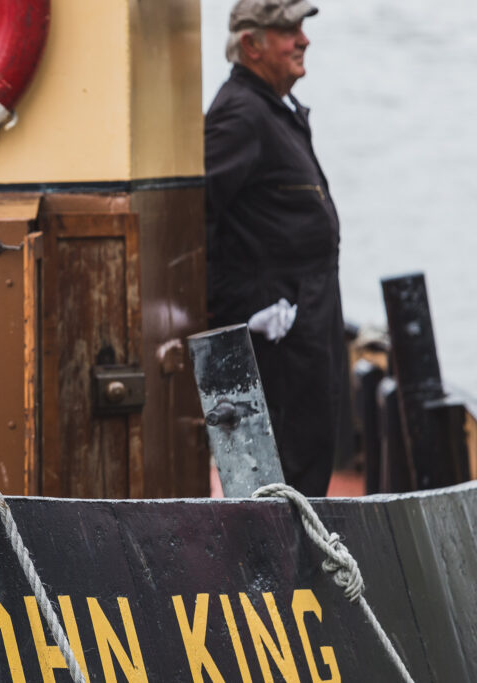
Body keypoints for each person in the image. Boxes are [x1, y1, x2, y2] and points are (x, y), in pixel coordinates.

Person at [205, 0, 344, 496]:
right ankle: (289, 576)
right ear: (252, 45)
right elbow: (197, 223)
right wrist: (243, 314)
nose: (302, 40)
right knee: (282, 481)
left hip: (306, 325)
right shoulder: (240, 114)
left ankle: (304, 572)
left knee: (311, 462)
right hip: (275, 343)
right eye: (289, 31)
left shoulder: (275, 110)